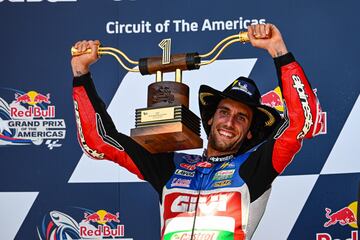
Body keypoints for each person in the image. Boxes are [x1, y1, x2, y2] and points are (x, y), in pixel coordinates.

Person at [71, 23, 323, 240]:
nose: (229, 122)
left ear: (249, 132)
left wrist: (278, 51)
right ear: (211, 118)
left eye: (241, 117)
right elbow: (98, 141)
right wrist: (81, 73)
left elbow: (301, 123)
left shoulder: (257, 168)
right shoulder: (171, 166)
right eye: (224, 112)